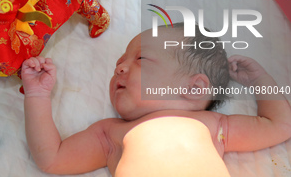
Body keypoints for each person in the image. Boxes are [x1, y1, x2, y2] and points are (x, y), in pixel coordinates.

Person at [22, 24, 291, 176]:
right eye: (119, 62)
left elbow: (278, 125)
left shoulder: (216, 125)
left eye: (140, 59)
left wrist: (260, 81)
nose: (120, 68)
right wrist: (37, 95)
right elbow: (52, 158)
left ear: (195, 88)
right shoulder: (110, 132)